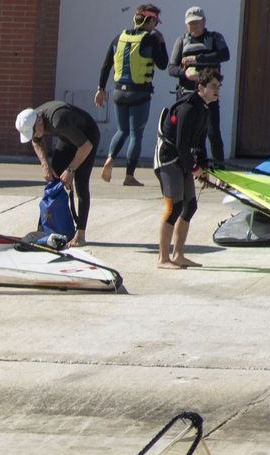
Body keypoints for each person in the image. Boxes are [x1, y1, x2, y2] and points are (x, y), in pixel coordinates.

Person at [155, 68, 221, 269]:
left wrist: (203, 167)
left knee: (190, 206)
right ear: (200, 87)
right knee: (173, 208)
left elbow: (199, 142)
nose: (217, 90)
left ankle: (178, 255)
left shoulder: (204, 108)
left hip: (182, 161)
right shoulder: (189, 108)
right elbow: (182, 144)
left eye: (218, 86)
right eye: (213, 86)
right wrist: (194, 170)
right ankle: (163, 259)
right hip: (168, 160)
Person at [95, 3, 167, 187]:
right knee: (136, 134)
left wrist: (100, 89)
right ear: (149, 20)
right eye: (155, 22)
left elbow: (105, 66)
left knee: (122, 130)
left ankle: (110, 158)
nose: (155, 26)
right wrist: (161, 42)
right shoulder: (150, 39)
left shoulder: (119, 37)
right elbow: (163, 64)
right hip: (139, 94)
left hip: (119, 92)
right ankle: (129, 176)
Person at [16, 100, 101, 246]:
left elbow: (86, 146)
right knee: (53, 180)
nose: (35, 134)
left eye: (35, 131)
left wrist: (71, 169)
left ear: (39, 121)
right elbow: (36, 141)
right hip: (67, 138)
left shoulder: (58, 120)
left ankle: (80, 234)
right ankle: (43, 228)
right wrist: (45, 164)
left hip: (87, 137)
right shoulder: (33, 117)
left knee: (80, 183)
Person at [168, 5, 229, 163]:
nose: (193, 26)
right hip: (188, 96)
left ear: (204, 22)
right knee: (192, 134)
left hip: (209, 95)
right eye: (190, 23)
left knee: (212, 132)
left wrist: (197, 59)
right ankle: (196, 166)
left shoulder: (215, 38)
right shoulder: (181, 41)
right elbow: (172, 68)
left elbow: (224, 54)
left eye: (196, 22)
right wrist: (186, 73)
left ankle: (219, 168)